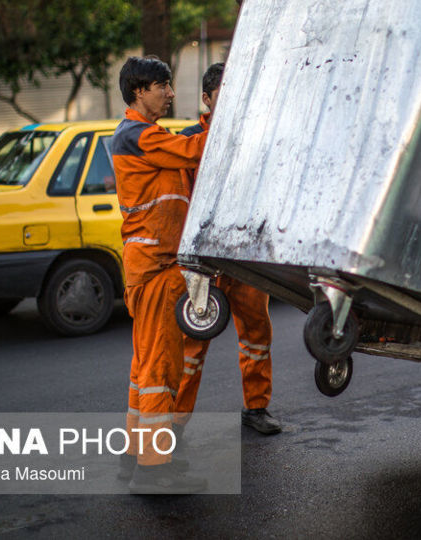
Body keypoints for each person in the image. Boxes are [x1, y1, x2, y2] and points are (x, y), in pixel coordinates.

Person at [111, 55, 209, 494]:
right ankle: (153, 469)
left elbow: (180, 150)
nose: (170, 93)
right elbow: (193, 151)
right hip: (154, 266)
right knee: (159, 368)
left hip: (150, 263)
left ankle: (133, 457)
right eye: (163, 86)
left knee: (142, 367)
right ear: (139, 91)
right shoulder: (138, 136)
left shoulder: (143, 136)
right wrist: (219, 120)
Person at [172, 62, 281, 436]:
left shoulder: (254, 139)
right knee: (192, 343)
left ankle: (258, 408)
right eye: (223, 95)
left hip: (245, 256)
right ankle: (175, 420)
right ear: (206, 99)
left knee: (256, 334)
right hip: (204, 262)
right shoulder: (189, 143)